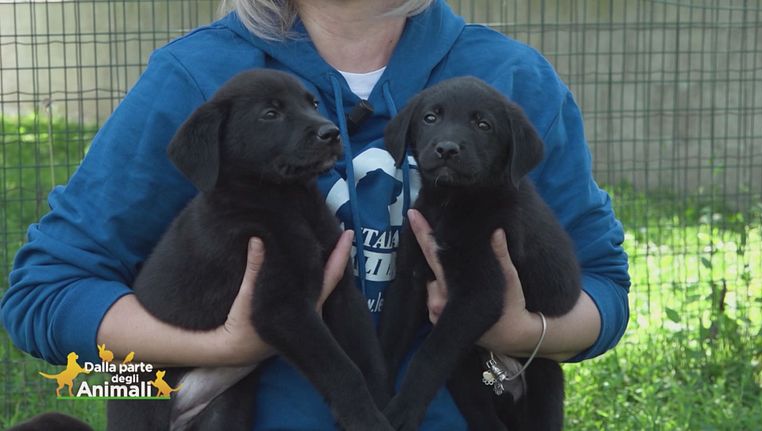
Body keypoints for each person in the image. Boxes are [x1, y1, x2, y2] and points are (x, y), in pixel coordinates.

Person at [1, 0, 630, 429]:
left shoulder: (512, 79)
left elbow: (603, 289)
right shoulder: (197, 77)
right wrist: (219, 348)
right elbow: (44, 294)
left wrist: (521, 333)